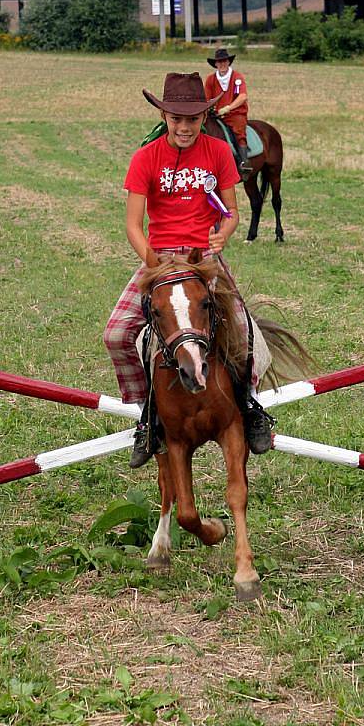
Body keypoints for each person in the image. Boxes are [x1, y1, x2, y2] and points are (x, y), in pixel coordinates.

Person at [103, 72, 273, 469]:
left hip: (202, 258)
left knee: (245, 334)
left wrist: (223, 236)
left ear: (203, 117)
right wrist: (153, 262)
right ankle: (149, 416)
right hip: (158, 257)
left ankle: (249, 408)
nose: (184, 126)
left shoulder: (217, 151)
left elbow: (230, 213)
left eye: (192, 119)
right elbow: (132, 225)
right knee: (115, 334)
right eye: (176, 118)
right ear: (164, 116)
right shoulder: (145, 157)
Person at [204, 47, 252, 177]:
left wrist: (228, 108)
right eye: (219, 62)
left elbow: (243, 96)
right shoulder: (210, 79)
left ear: (229, 62)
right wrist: (210, 109)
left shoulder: (237, 77)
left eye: (224, 61)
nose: (222, 64)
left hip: (235, 114)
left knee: (239, 131)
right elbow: (207, 99)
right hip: (216, 115)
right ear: (215, 64)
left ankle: (244, 163)